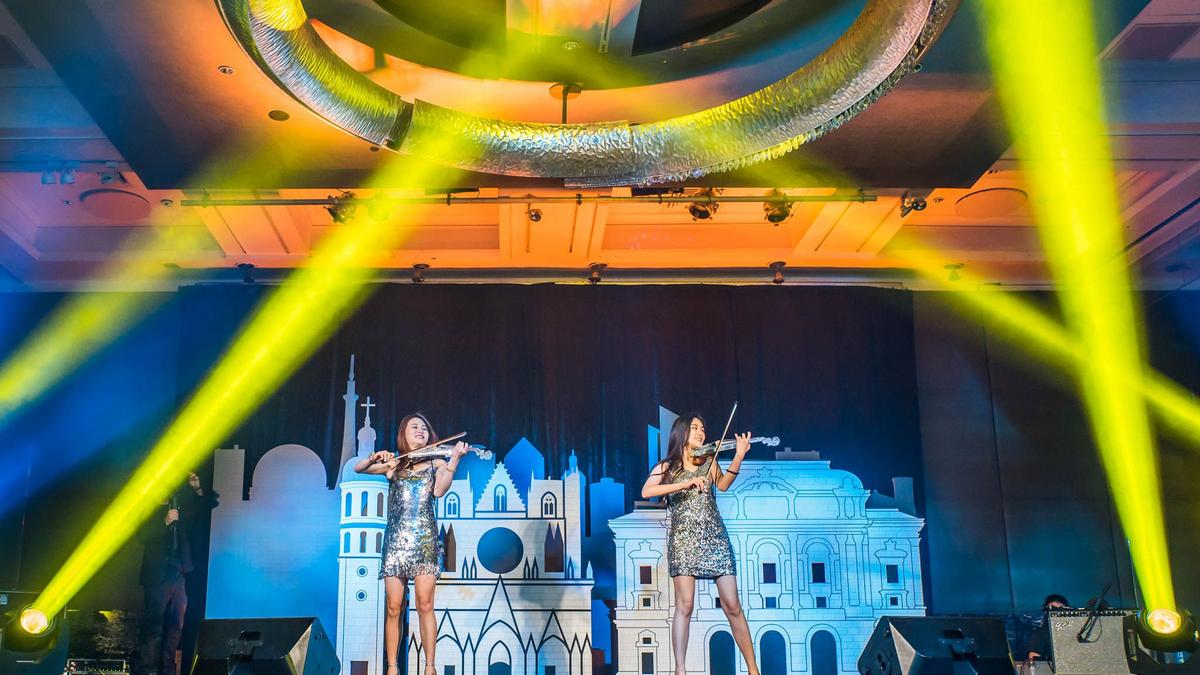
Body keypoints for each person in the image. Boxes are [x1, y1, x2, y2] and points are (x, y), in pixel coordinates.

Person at [641, 414, 760, 675]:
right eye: (695, 428)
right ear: (681, 432)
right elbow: (647, 492)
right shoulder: (667, 467)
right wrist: (684, 483)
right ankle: (680, 669)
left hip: (715, 537)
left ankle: (753, 669)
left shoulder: (709, 461)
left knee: (733, 605)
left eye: (703, 429)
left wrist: (739, 456)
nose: (701, 433)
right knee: (685, 605)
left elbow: (724, 485)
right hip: (684, 540)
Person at [355, 413, 468, 675]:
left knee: (425, 604)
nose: (420, 431)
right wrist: (374, 458)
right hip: (396, 541)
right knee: (394, 606)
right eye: (414, 427)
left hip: (425, 540)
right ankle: (392, 667)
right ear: (403, 433)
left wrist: (454, 460)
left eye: (424, 428)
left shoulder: (436, 461)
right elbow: (359, 469)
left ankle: (430, 667)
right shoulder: (395, 462)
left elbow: (439, 491)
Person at [136, 471, 219, 675]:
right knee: (153, 627)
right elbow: (142, 535)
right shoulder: (147, 508)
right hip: (157, 575)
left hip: (179, 574)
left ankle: (168, 669)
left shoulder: (179, 507)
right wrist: (164, 521)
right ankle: (147, 669)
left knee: (175, 627)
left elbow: (208, 504)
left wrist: (197, 487)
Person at [1026, 594, 1071, 663]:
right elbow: (1035, 663)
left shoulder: (1073, 633)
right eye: (1053, 609)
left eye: (1061, 609)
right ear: (1046, 612)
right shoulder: (1040, 635)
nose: (1057, 613)